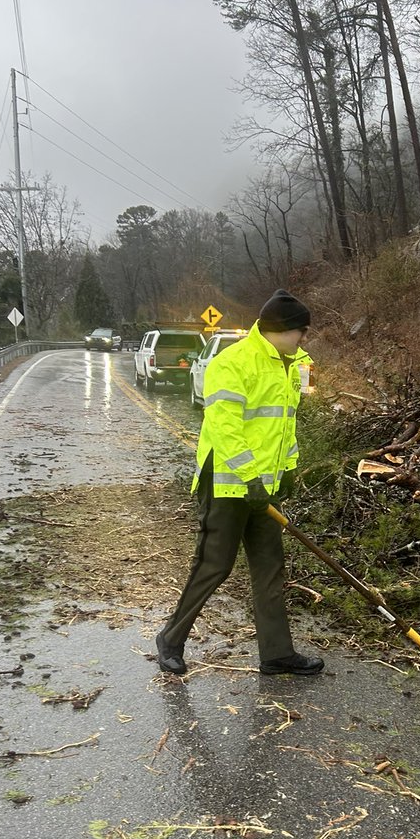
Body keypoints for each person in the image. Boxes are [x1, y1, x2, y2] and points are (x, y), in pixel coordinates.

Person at [155, 289, 324, 677]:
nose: (304, 337)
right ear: (280, 330)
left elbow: (284, 425)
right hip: (228, 485)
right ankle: (171, 639)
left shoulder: (291, 365)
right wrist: (249, 478)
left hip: (265, 487)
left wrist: (289, 470)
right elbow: (225, 426)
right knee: (214, 565)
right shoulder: (232, 362)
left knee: (270, 567)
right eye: (301, 330)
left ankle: (277, 653)